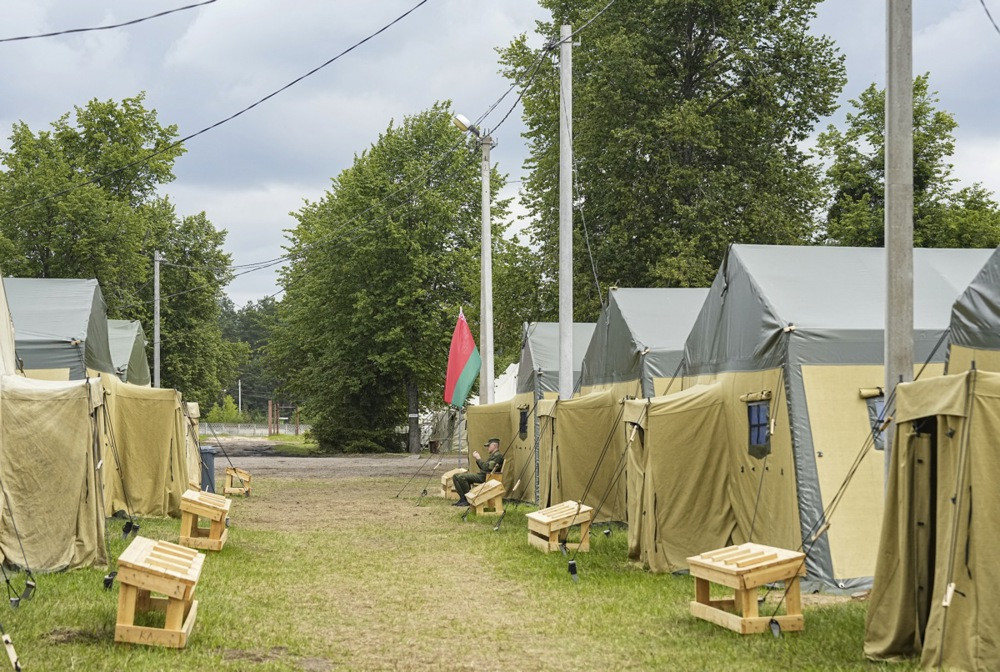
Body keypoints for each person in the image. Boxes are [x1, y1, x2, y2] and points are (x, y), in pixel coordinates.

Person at [452, 437, 504, 506]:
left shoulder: (498, 456)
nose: (487, 448)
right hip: (483, 475)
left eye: (489, 446)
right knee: (455, 476)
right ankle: (463, 498)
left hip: (486, 477)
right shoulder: (494, 455)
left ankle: (467, 500)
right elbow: (485, 467)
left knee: (461, 477)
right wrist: (478, 460)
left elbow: (486, 468)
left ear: (494, 446)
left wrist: (478, 458)